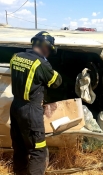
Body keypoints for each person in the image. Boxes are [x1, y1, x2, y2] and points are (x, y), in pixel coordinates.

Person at [10, 31, 62, 175]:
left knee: (19, 147)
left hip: (15, 107)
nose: (49, 53)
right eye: (49, 50)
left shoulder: (16, 57)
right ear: (45, 47)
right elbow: (56, 81)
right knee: (38, 151)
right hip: (31, 111)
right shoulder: (41, 63)